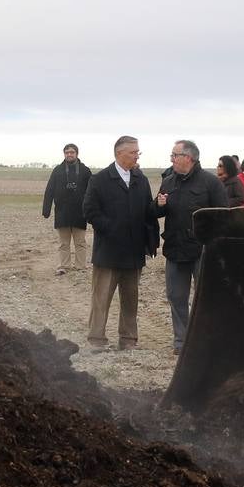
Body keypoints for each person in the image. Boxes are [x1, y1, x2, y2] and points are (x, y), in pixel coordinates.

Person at [82, 135, 159, 350]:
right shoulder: (99, 180)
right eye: (134, 152)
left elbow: (147, 211)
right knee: (101, 299)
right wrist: (111, 228)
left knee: (130, 300)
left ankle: (128, 340)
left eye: (138, 152)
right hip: (108, 252)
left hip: (134, 252)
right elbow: (89, 211)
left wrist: (159, 206)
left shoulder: (140, 180)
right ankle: (96, 340)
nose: (137, 156)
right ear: (119, 153)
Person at [154, 140, 229, 355]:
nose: (171, 159)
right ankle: (182, 341)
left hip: (202, 250)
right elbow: (156, 211)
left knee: (206, 298)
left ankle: (208, 340)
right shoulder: (168, 181)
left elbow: (223, 216)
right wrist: (158, 205)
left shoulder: (211, 183)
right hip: (176, 249)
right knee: (176, 296)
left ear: (189, 157)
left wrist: (217, 247)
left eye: (174, 155)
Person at [41, 143, 92, 274]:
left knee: (80, 242)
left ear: (77, 154)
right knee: (63, 243)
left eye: (72, 152)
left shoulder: (85, 171)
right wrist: (46, 210)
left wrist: (92, 210)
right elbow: (49, 190)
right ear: (64, 154)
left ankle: (81, 266)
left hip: (80, 213)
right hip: (62, 212)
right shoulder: (57, 170)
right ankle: (64, 266)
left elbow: (92, 191)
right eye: (67, 152)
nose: (69, 154)